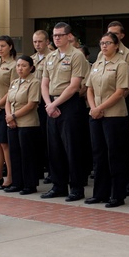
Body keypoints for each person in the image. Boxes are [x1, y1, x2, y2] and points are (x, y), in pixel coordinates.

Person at [41, 22, 89, 201]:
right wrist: (48, 104)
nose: (57, 38)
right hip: (51, 104)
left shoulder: (76, 56)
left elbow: (74, 85)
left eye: (60, 35)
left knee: (72, 148)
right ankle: (58, 185)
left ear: (69, 36)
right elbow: (44, 83)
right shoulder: (50, 57)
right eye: (54, 35)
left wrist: (55, 104)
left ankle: (76, 188)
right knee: (54, 148)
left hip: (69, 104)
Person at [86, 32, 129, 207]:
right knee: (98, 155)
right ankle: (100, 193)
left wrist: (100, 108)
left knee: (115, 156)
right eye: (102, 43)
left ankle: (117, 194)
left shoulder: (121, 65)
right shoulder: (97, 64)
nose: (104, 46)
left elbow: (120, 92)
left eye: (108, 43)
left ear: (116, 45)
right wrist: (93, 108)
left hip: (114, 116)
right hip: (96, 115)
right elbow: (89, 88)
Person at [5, 56, 42, 195]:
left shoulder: (34, 82)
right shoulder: (14, 82)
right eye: (18, 65)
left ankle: (29, 184)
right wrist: (9, 117)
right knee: (14, 153)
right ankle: (17, 182)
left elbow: (31, 104)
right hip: (12, 122)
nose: (20, 68)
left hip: (27, 123)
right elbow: (8, 100)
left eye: (24, 65)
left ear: (31, 67)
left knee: (28, 154)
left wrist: (14, 116)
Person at [0, 36, 17, 189]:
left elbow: (13, 89)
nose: (0, 49)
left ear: (10, 47)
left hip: (6, 108)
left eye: (3, 46)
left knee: (6, 144)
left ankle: (11, 176)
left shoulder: (14, 66)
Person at [31, 30, 51, 181]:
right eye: (35, 42)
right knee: (35, 138)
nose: (37, 44)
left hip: (47, 102)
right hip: (33, 103)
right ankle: (37, 169)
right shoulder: (31, 60)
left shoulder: (53, 58)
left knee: (49, 138)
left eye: (40, 41)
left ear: (47, 42)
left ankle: (51, 170)